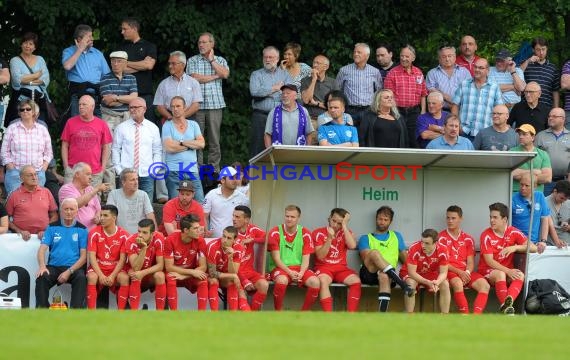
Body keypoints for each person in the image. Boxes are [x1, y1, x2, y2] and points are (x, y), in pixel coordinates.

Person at [478, 202, 538, 314]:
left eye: (495, 217)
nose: (491, 220)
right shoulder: (486, 235)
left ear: (504, 219)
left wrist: (515, 248)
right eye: (490, 217)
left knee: (520, 275)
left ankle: (506, 305)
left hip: (506, 272)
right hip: (487, 272)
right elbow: (489, 261)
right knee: (500, 274)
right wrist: (508, 271)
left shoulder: (513, 232)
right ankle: (506, 308)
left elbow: (534, 248)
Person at [357, 206, 414, 312]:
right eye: (380, 219)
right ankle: (403, 285)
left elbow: (406, 260)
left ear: (390, 221)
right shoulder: (365, 238)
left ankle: (382, 316)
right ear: (376, 219)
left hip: (388, 275)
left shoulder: (396, 236)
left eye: (385, 220)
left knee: (384, 275)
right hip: (369, 273)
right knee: (374, 253)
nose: (382, 222)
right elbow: (366, 258)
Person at [187, 32, 230, 171]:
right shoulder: (192, 60)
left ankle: (214, 171)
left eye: (204, 42)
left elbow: (225, 74)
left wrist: (212, 61)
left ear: (212, 44)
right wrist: (215, 76)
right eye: (199, 42)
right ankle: (196, 170)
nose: (201, 45)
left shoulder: (220, 60)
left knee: (214, 141)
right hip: (196, 106)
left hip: (215, 105)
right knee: (197, 140)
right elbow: (194, 78)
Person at [35, 198, 88, 308]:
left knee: (81, 278)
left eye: (72, 209)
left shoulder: (83, 230)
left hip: (73, 268)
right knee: (41, 277)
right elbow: (42, 250)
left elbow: (83, 257)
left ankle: (75, 312)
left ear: (77, 211)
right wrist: (42, 266)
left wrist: (69, 272)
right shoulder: (52, 227)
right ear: (61, 211)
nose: (68, 212)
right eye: (66, 209)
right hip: (54, 267)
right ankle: (43, 311)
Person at [438, 206, 490, 314]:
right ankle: (465, 316)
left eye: (453, 218)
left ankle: (475, 317)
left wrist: (466, 273)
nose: (450, 221)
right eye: (448, 218)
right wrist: (459, 273)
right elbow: (442, 263)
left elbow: (470, 262)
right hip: (449, 272)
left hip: (465, 272)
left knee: (485, 285)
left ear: (461, 219)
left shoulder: (468, 238)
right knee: (457, 283)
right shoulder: (440, 238)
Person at [268, 205, 320, 311]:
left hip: (299, 268)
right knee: (282, 280)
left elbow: (306, 259)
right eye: (287, 216)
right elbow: (276, 259)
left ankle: (303, 313)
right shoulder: (275, 232)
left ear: (298, 218)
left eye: (292, 217)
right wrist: (290, 272)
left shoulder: (305, 233)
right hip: (280, 268)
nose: (289, 219)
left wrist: (301, 273)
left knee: (315, 282)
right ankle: (278, 311)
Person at [112, 97, 161, 202]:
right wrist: (119, 170)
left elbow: (157, 150)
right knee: (125, 204)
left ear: (144, 109)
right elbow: (115, 149)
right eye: (131, 107)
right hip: (126, 173)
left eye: (136, 107)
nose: (133, 110)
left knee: (146, 206)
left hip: (147, 174)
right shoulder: (121, 127)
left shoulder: (153, 128)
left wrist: (154, 169)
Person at [312, 208, 361, 312]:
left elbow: (352, 246)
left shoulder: (346, 232)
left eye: (339, 223)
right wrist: (329, 238)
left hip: (340, 269)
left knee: (356, 281)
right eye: (333, 221)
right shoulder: (318, 232)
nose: (335, 225)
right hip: (323, 267)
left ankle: (351, 316)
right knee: (323, 281)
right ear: (329, 218)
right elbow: (320, 256)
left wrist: (344, 226)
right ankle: (329, 317)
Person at [1, 98, 53, 194]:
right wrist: (10, 167)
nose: (25, 111)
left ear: (33, 112)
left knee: (35, 204)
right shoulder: (11, 128)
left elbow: (49, 152)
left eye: (28, 109)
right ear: (19, 113)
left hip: (37, 174)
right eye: (22, 109)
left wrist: (43, 169)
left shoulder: (42, 130)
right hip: (16, 173)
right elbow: (4, 151)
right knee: (15, 205)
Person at [249, 46, 293, 157]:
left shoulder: (285, 75)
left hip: (281, 115)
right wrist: (274, 89)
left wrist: (266, 92)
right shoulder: (256, 74)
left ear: (278, 59)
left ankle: (279, 172)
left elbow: (289, 94)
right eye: (265, 57)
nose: (267, 60)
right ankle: (255, 172)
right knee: (258, 146)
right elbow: (255, 93)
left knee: (280, 146)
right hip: (261, 116)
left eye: (271, 57)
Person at [61, 95, 113, 186]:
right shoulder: (70, 122)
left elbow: (106, 147)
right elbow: (64, 145)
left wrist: (103, 167)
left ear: (92, 107)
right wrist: (66, 166)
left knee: (93, 199)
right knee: (70, 199)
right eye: (79, 104)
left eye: (84, 104)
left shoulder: (102, 124)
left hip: (94, 172)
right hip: (73, 171)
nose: (81, 107)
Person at [86, 204, 130, 309]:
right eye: (101, 215)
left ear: (114, 218)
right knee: (92, 277)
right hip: (99, 268)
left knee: (124, 278)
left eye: (105, 215)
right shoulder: (94, 233)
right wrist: (101, 275)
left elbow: (123, 260)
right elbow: (91, 257)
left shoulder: (124, 235)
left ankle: (122, 313)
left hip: (115, 269)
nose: (102, 218)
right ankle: (90, 313)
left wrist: (112, 276)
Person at [162, 96, 205, 201]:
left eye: (178, 106)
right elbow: (169, 147)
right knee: (176, 205)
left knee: (199, 203)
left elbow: (201, 144)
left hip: (192, 169)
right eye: (172, 107)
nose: (175, 109)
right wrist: (190, 146)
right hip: (173, 170)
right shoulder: (167, 125)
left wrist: (181, 142)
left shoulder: (193, 124)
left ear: (184, 107)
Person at [384, 45, 427, 147]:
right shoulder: (392, 73)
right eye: (402, 56)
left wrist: (423, 110)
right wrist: (393, 112)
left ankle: (414, 162)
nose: (403, 59)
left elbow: (423, 94)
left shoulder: (418, 72)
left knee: (414, 139)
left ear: (413, 58)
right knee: (399, 138)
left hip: (414, 111)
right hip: (397, 110)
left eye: (407, 56)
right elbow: (389, 96)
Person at [62, 24, 110, 117]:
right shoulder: (68, 51)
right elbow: (67, 66)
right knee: (77, 125)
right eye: (89, 36)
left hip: (96, 95)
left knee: (97, 125)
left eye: (92, 36)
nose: (92, 39)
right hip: (77, 95)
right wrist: (80, 49)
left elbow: (107, 76)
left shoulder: (98, 53)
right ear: (79, 39)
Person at [451, 58, 503, 141]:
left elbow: (500, 110)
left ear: (487, 71)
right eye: (475, 67)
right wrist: (457, 125)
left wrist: (496, 128)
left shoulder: (494, 87)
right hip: (464, 132)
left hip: (487, 133)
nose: (477, 70)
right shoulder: (464, 84)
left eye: (481, 68)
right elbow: (455, 105)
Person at [164, 214, 208, 311]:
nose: (199, 230)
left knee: (203, 280)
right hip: (175, 272)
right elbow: (169, 267)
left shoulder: (200, 241)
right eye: (195, 228)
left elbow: (203, 266)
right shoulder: (170, 240)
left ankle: (203, 315)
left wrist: (187, 275)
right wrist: (192, 272)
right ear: (186, 230)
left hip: (188, 274)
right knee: (170, 277)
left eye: (199, 227)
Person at [118, 18, 157, 125]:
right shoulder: (122, 48)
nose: (122, 32)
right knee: (127, 126)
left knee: (149, 126)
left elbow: (149, 65)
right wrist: (141, 65)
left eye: (124, 29)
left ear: (134, 29)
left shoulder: (149, 46)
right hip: (126, 95)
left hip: (145, 94)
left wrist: (126, 62)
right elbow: (120, 69)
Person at [403, 229, 450, 314]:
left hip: (430, 273)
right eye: (422, 242)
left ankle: (445, 316)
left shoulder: (443, 250)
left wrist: (437, 282)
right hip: (411, 273)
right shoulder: (414, 248)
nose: (423, 246)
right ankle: (409, 316)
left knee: (445, 284)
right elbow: (412, 273)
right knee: (411, 283)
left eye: (427, 243)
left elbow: (443, 273)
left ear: (435, 243)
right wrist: (427, 282)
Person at [8, 32, 51, 123]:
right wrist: (35, 76)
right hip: (21, 101)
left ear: (35, 47)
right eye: (25, 43)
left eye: (31, 44)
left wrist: (27, 80)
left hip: (39, 101)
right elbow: (17, 79)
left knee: (41, 127)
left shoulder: (40, 59)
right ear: (21, 44)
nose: (28, 46)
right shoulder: (14, 60)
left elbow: (45, 79)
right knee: (19, 127)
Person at [6, 165, 58, 240]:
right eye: (30, 175)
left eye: (35, 174)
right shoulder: (14, 195)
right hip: (21, 239)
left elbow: (55, 216)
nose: (34, 177)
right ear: (21, 178)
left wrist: (46, 231)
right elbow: (5, 219)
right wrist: (19, 231)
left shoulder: (46, 192)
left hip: (44, 237)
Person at [124, 219, 166, 310]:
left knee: (160, 275)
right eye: (139, 231)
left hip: (150, 272)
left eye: (144, 232)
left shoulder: (159, 238)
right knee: (135, 275)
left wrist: (143, 273)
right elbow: (136, 267)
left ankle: (161, 313)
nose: (140, 235)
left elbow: (160, 265)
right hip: (134, 272)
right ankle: (134, 312)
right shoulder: (131, 241)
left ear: (152, 234)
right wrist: (143, 248)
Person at [336, 43, 383, 125]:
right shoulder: (344, 70)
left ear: (367, 56)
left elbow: (379, 91)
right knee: (349, 135)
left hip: (368, 110)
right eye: (354, 52)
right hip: (349, 110)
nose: (355, 54)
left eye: (359, 52)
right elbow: (337, 90)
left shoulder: (375, 72)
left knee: (367, 136)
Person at [232, 205, 268, 311]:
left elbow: (271, 239)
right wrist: (244, 281)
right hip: (235, 274)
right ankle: (248, 315)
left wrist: (253, 240)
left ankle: (254, 316)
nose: (234, 219)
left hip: (250, 271)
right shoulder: (230, 234)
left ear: (246, 219)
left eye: (237, 217)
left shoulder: (252, 229)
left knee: (264, 285)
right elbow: (232, 267)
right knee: (242, 297)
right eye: (233, 216)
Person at [511, 173, 562, 247]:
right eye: (521, 184)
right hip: (517, 243)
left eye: (527, 185)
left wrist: (543, 240)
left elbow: (545, 219)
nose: (523, 188)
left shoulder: (540, 196)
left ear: (534, 187)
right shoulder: (513, 199)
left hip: (534, 243)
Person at [154, 51, 202, 121]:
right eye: (169, 63)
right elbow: (159, 105)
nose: (170, 66)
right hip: (169, 118)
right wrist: (170, 117)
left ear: (183, 65)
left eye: (173, 64)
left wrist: (182, 117)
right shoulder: (163, 84)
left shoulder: (193, 82)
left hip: (189, 118)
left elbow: (196, 105)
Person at [58, 162, 109, 230]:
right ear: (77, 174)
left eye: (91, 174)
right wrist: (96, 189)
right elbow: (74, 204)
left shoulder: (90, 189)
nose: (90, 177)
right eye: (87, 174)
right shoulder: (66, 189)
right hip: (73, 233)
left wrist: (97, 216)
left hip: (92, 233)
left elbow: (98, 209)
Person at [203, 166, 249, 238]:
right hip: (215, 240)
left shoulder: (243, 198)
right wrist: (206, 231)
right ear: (222, 180)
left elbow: (246, 219)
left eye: (236, 177)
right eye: (231, 178)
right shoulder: (211, 195)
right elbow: (204, 216)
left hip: (235, 241)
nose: (235, 180)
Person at [205, 226, 244, 311]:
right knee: (214, 281)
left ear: (235, 240)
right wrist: (233, 276)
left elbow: (233, 272)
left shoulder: (238, 248)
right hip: (209, 275)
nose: (225, 240)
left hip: (224, 276)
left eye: (229, 238)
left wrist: (230, 258)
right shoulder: (213, 246)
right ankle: (215, 315)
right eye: (223, 236)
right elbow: (212, 273)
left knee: (233, 282)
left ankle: (232, 316)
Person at [106, 168, 156, 234]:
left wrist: (155, 234)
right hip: (121, 237)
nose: (136, 182)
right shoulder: (113, 194)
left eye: (137, 179)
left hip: (140, 237)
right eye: (132, 180)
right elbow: (110, 216)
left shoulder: (143, 194)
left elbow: (150, 216)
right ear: (123, 182)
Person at [99, 51, 138, 132]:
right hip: (110, 118)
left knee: (127, 143)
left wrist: (115, 97)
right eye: (113, 61)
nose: (115, 64)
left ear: (125, 63)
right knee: (109, 144)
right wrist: (127, 100)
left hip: (128, 117)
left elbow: (134, 99)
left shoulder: (132, 78)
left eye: (119, 61)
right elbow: (108, 102)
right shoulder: (105, 79)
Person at [535, 108, 570, 195]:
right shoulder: (540, 136)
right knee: (544, 206)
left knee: (565, 207)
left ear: (563, 119)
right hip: (545, 182)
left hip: (566, 181)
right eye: (549, 116)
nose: (550, 118)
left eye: (554, 116)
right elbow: (533, 157)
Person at [301, 54, 338, 136]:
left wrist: (316, 103)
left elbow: (335, 106)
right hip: (310, 119)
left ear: (325, 67)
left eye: (318, 63)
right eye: (314, 63)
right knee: (310, 146)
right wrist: (314, 79)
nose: (314, 65)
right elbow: (306, 100)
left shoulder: (333, 83)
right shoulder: (305, 81)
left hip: (327, 119)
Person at [426, 45, 471, 110]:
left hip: (461, 109)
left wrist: (455, 104)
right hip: (440, 111)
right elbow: (431, 91)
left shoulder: (464, 72)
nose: (447, 59)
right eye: (444, 57)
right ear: (439, 59)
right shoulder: (432, 73)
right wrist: (445, 97)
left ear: (455, 57)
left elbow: (469, 90)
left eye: (449, 56)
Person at [510, 124, 552, 192]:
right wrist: (534, 172)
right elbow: (511, 174)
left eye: (524, 134)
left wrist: (521, 174)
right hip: (516, 193)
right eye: (520, 134)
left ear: (533, 137)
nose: (521, 137)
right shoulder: (512, 152)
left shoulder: (543, 154)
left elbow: (547, 178)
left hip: (536, 194)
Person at [520, 37, 560, 109]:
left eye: (543, 49)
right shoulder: (526, 64)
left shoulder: (553, 68)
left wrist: (556, 109)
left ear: (547, 49)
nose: (541, 52)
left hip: (546, 108)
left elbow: (555, 91)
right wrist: (528, 61)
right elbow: (517, 74)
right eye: (538, 50)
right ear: (533, 50)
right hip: (527, 107)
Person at [545, 180, 570, 245]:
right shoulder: (544, 202)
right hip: (549, 242)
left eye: (566, 199)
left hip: (566, 242)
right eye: (561, 198)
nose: (563, 201)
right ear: (555, 191)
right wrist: (557, 241)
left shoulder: (568, 203)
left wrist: (568, 227)